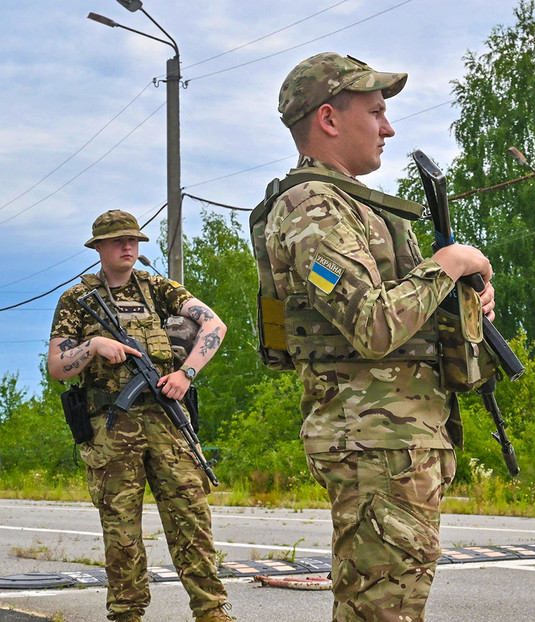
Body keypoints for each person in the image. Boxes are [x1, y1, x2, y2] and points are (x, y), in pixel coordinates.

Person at [257, 52, 496, 622]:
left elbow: (397, 307)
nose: (388, 128)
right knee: (381, 613)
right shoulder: (309, 208)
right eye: (377, 112)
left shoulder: (349, 205)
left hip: (394, 440)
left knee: (389, 607)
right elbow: (373, 323)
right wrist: (448, 266)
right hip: (374, 444)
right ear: (329, 120)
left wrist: (466, 297)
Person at [47, 210, 233, 622]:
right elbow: (57, 366)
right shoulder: (76, 300)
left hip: (169, 420)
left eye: (132, 240)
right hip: (111, 426)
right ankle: (127, 614)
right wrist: (93, 345)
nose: (128, 247)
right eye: (117, 241)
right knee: (121, 530)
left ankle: (212, 612)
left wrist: (186, 374)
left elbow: (215, 326)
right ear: (98, 248)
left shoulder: (159, 289)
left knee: (192, 519)